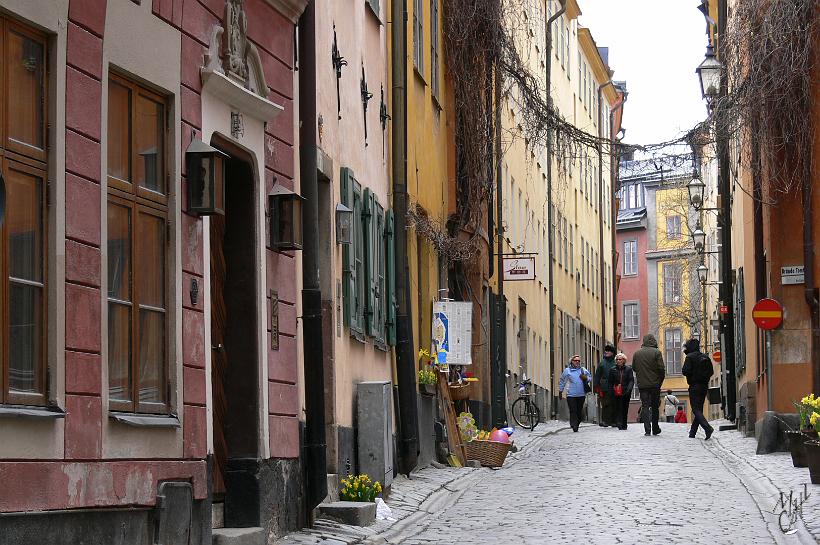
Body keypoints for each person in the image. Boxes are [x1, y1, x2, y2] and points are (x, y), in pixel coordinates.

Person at [631, 334, 666, 436]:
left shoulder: (637, 354)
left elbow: (634, 368)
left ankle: (647, 430)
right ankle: (655, 428)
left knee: (645, 406)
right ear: (654, 341)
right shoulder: (657, 353)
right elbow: (661, 369)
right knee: (655, 407)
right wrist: (660, 381)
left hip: (642, 385)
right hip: (655, 384)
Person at [681, 338, 715, 439]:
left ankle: (707, 428)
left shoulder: (690, 357)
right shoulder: (705, 357)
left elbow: (685, 371)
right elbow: (711, 372)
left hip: (694, 386)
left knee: (695, 409)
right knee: (698, 409)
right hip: (704, 386)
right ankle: (692, 433)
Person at [559, 355, 592, 432]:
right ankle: (574, 424)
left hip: (581, 394)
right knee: (573, 410)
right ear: (571, 362)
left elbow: (590, 378)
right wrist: (560, 391)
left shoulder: (583, 370)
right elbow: (562, 381)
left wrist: (586, 378)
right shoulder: (567, 371)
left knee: (579, 410)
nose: (577, 362)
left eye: (578, 361)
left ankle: (576, 422)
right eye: (575, 360)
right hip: (571, 394)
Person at [608, 352, 634, 430]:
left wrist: (629, 389)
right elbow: (610, 382)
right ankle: (619, 423)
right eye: (617, 359)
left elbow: (631, 380)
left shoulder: (628, 369)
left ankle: (624, 424)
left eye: (620, 359)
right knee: (617, 407)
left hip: (625, 391)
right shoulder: (612, 370)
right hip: (616, 392)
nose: (618, 361)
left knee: (625, 408)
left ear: (624, 360)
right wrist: (610, 391)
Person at [594, 344, 617, 427]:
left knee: (614, 404)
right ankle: (605, 421)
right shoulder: (602, 363)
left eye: (608, 351)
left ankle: (614, 421)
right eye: (606, 350)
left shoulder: (616, 363)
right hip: (605, 386)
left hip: (614, 386)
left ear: (612, 353)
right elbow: (597, 375)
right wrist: (596, 386)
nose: (606, 352)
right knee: (605, 404)